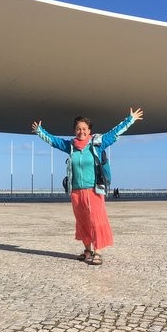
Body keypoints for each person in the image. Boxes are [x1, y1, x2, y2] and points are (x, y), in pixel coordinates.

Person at [31, 108, 143, 265]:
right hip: (76, 191)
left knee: (96, 220)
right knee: (82, 221)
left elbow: (115, 133)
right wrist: (39, 131)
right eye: (78, 129)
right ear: (74, 130)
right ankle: (87, 251)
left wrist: (130, 119)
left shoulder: (97, 143)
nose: (81, 132)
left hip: (94, 190)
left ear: (89, 130)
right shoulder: (70, 146)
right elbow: (54, 141)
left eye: (84, 129)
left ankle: (98, 251)